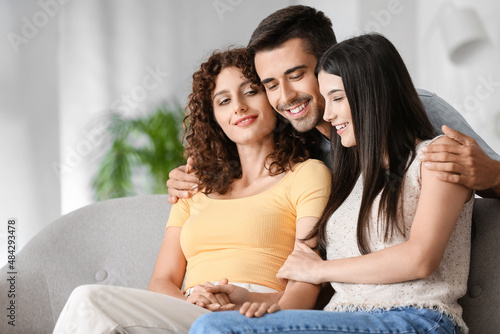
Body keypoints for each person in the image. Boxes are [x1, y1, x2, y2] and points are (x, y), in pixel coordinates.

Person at [189, 33, 474, 334]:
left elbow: (421, 259)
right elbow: (348, 291)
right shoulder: (350, 178)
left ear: (372, 94)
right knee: (220, 323)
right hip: (351, 318)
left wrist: (318, 269)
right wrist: (255, 298)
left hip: (416, 320)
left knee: (214, 329)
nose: (327, 114)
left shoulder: (438, 156)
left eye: (337, 98)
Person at [52, 48, 330, 334]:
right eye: (224, 101)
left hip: (254, 310)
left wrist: (270, 308)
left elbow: (307, 275)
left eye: (251, 91)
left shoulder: (307, 174)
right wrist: (190, 300)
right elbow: (162, 281)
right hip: (188, 309)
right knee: (89, 304)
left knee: (89, 301)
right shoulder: (195, 185)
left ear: (272, 99)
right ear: (215, 119)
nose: (239, 107)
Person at [167, 5, 500, 202]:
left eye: (296, 75)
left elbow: (486, 171)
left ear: (329, 64)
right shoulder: (290, 136)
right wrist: (186, 178)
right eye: (270, 85)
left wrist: (491, 174)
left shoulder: (415, 106)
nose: (284, 98)